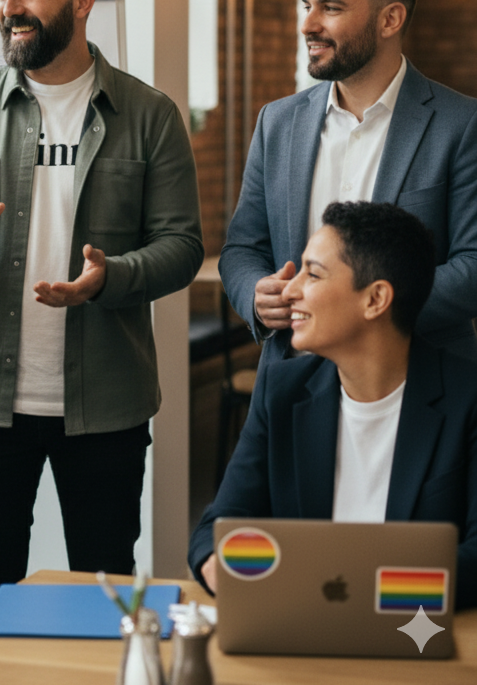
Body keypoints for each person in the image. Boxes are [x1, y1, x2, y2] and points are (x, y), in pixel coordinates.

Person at [0, 0, 204, 613]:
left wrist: (113, 277)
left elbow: (181, 245)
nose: (11, 7)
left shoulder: (149, 115)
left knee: (104, 589)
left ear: (84, 0)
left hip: (106, 403)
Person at [190, 201, 477, 611]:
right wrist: (220, 565)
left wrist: (359, 589)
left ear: (376, 299)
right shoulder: (282, 391)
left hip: (415, 637)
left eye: (313, 273)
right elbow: (217, 526)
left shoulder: (467, 398)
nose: (289, 290)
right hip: (298, 631)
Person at [219, 0, 477, 367]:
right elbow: (243, 248)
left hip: (418, 382)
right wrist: (256, 294)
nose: (308, 24)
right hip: (291, 380)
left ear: (390, 19)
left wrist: (357, 315)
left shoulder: (462, 125)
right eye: (307, 6)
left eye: (331, 8)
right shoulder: (276, 123)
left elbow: (472, 266)